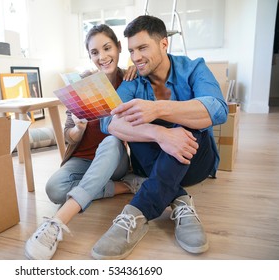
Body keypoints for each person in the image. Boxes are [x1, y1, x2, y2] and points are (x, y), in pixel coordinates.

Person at [92, 15, 229, 259]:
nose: (136, 57)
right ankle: (181, 203)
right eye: (132, 50)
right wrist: (159, 132)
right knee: (135, 117)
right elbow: (109, 121)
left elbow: (218, 108)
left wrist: (159, 109)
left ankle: (135, 213)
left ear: (164, 44)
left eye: (143, 48)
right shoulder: (134, 79)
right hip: (151, 164)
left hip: (196, 161)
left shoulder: (194, 67)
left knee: (190, 120)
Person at [25, 24, 146, 260]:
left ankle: (58, 222)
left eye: (107, 48)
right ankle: (125, 186)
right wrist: (78, 127)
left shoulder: (130, 79)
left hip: (115, 159)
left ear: (119, 47)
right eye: (94, 52)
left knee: (111, 141)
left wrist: (134, 69)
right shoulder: (82, 83)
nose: (102, 57)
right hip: (83, 159)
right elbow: (68, 134)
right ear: (89, 56)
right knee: (54, 189)